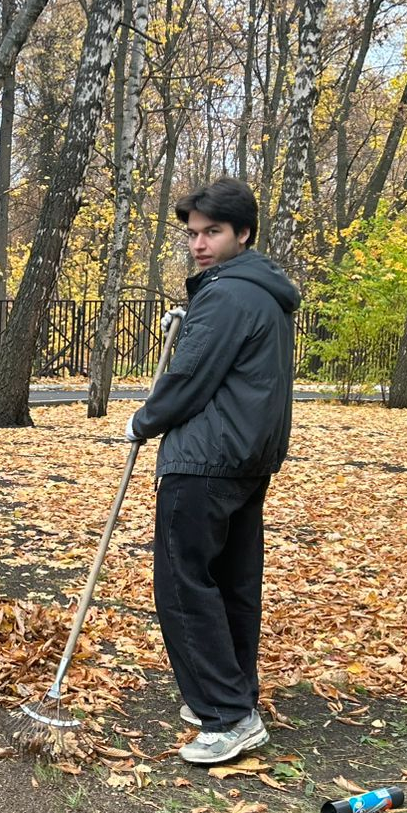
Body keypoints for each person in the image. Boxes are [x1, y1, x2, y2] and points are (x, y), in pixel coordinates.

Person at [125, 178, 301, 763]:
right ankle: (232, 694)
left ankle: (227, 715)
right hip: (246, 457)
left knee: (182, 584)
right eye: (193, 234)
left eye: (213, 233)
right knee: (231, 581)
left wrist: (144, 420)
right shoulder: (259, 292)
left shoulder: (227, 295)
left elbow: (191, 378)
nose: (199, 245)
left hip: (204, 460)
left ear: (243, 233)